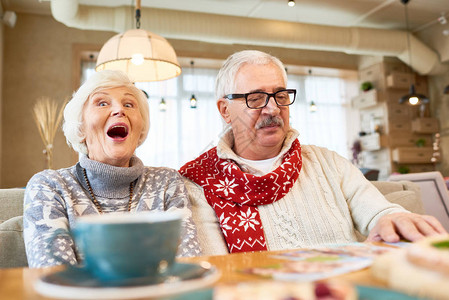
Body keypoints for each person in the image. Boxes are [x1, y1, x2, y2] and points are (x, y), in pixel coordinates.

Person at [179, 50, 447, 255]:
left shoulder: (328, 163)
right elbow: (218, 269)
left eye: (280, 95)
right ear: (225, 110)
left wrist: (395, 218)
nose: (272, 109)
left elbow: (379, 213)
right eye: (256, 98)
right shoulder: (198, 184)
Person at [24, 70, 201, 268]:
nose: (119, 110)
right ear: (81, 128)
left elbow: (189, 265)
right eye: (102, 103)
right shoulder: (50, 186)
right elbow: (54, 277)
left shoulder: (166, 182)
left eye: (128, 104)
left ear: (139, 129)